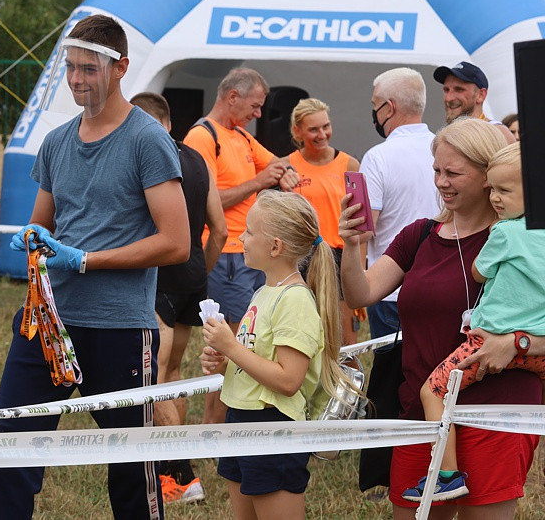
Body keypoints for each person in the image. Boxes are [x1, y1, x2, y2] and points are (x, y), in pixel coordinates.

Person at [0, 15, 189, 520]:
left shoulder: (146, 140)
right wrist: (34, 243)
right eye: (70, 69)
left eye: (88, 69)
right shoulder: (55, 142)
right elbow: (40, 226)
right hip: (46, 321)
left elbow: (177, 243)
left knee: (129, 463)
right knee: (8, 446)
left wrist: (89, 260)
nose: (77, 80)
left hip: (118, 326)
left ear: (120, 68)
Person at [339, 118, 541, 519]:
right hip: (421, 411)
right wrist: (352, 246)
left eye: (453, 173)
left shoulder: (524, 240)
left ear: (488, 176)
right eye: (436, 171)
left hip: (496, 412)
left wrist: (517, 343)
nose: (441, 182)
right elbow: (359, 293)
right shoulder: (419, 235)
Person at [199, 190, 362, 520]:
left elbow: (288, 380)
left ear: (275, 247)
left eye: (249, 231)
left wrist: (232, 347)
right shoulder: (264, 292)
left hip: (272, 427)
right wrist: (225, 360)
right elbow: (257, 359)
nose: (240, 237)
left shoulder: (295, 301)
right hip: (240, 419)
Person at [404, 141, 545, 502]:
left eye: (504, 190)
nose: (495, 198)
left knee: (433, 392)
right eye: (492, 189)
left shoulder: (504, 232)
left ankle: (446, 475)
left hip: (485, 341)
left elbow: (479, 272)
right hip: (537, 349)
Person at [183, 67, 300, 425]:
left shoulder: (242, 137)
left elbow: (278, 164)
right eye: (255, 105)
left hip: (249, 255)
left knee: (246, 344)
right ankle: (213, 430)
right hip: (225, 257)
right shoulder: (202, 137)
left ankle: (232, 425)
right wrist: (259, 181)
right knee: (229, 347)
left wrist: (286, 173)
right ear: (232, 96)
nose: (259, 114)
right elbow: (207, 198)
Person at [129, 91, 227, 504]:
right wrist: (198, 271)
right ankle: (166, 473)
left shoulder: (145, 156)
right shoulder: (199, 159)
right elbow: (219, 230)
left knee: (153, 379)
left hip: (159, 277)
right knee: (171, 376)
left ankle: (181, 476)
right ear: (168, 122)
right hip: (191, 275)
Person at [361, 68, 441, 339]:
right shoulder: (444, 149)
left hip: (390, 291)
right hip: (440, 285)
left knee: (391, 374)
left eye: (375, 105)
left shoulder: (376, 157)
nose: (374, 113)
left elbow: (362, 229)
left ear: (389, 108)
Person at [284, 98, 361, 346]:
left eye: (325, 126)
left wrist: (361, 265)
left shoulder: (349, 164)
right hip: (302, 256)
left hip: (339, 256)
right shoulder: (287, 166)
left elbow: (362, 221)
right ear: (298, 131)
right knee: (303, 332)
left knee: (345, 338)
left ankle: (348, 384)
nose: (322, 134)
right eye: (313, 129)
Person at [433, 61, 515, 142]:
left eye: (459, 90)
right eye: (446, 90)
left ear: (481, 95)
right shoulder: (443, 138)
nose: (449, 98)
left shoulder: (498, 134)